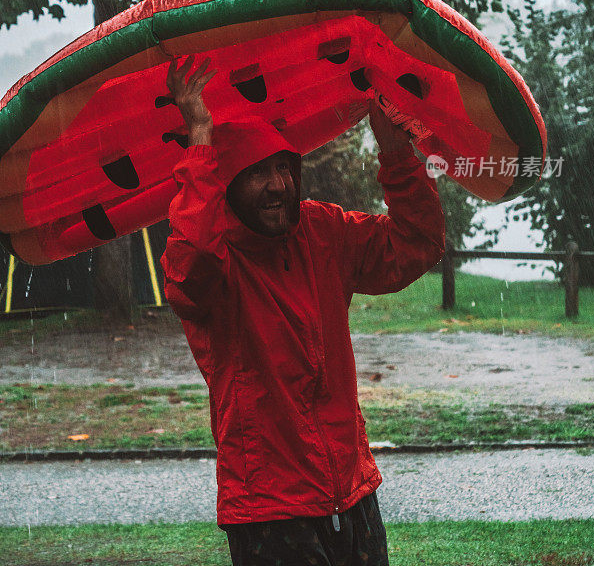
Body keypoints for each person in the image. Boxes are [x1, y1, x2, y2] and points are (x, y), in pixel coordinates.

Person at [161, 55, 445, 566]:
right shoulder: (213, 256)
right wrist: (200, 138)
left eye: (284, 168)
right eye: (257, 173)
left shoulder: (323, 232)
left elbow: (417, 244)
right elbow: (190, 268)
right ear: (224, 183)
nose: (278, 185)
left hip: (352, 490)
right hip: (269, 508)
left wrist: (396, 149)